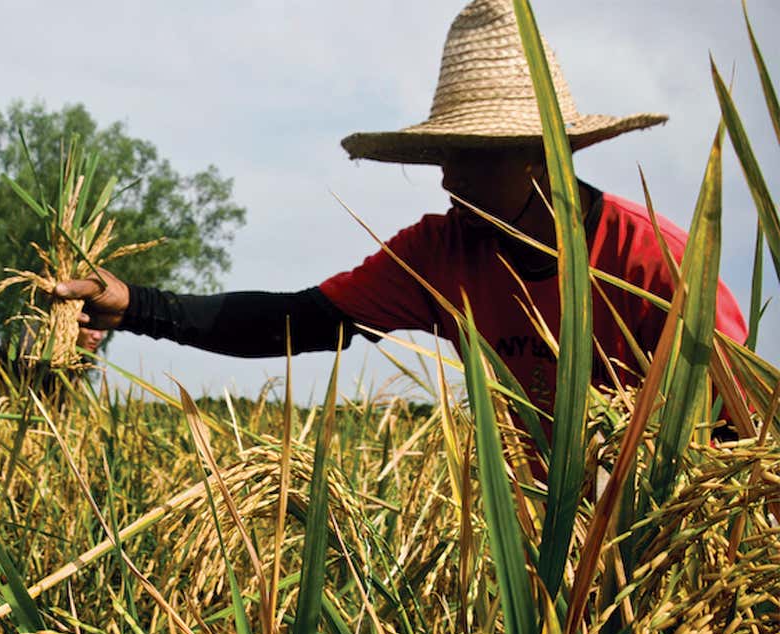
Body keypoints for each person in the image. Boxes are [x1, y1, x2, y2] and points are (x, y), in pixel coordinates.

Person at [53, 0, 747, 425]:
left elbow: (738, 431)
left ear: (541, 156)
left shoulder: (658, 268)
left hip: (662, 549)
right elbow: (299, 321)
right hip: (542, 552)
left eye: (470, 156)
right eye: (444, 152)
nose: (446, 176)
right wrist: (138, 306)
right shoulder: (443, 255)